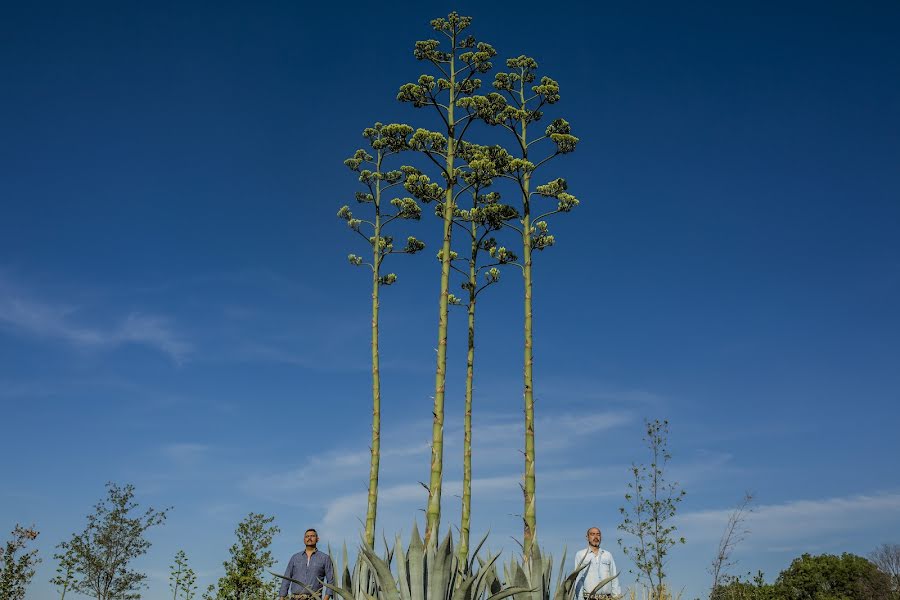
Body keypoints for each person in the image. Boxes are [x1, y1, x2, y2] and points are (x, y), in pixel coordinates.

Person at [279, 528, 335, 600]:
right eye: (307, 536)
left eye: (312, 536)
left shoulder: (325, 558)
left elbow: (331, 580)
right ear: (304, 540)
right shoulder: (295, 557)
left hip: (314, 598)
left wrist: (326, 598)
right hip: (295, 598)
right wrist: (281, 597)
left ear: (317, 539)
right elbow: (286, 578)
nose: (309, 538)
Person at [573, 527, 621, 599]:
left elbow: (614, 578)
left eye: (598, 534)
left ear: (601, 537)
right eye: (592, 534)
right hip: (589, 598)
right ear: (587, 537)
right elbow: (579, 580)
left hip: (607, 598)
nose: (595, 537)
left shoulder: (608, 555)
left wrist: (616, 597)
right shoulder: (580, 555)